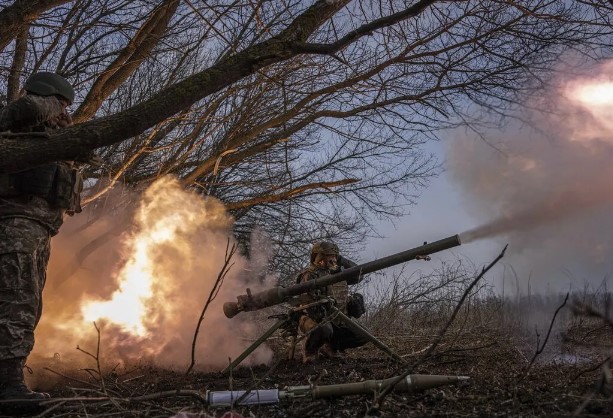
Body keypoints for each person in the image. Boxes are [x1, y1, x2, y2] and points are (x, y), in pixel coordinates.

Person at [0, 72, 87, 403]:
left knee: (28, 302)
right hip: (16, 224)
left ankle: (10, 377)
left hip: (37, 227)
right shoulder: (22, 118)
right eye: (62, 105)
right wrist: (48, 104)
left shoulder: (50, 137)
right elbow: (23, 109)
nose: (64, 113)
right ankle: (7, 386)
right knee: (17, 300)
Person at [297, 241, 368, 363]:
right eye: (329, 256)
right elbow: (310, 306)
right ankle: (310, 352)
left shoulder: (338, 273)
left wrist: (340, 259)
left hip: (337, 319)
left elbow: (359, 274)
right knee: (324, 328)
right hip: (313, 319)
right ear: (319, 257)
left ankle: (332, 348)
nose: (333, 259)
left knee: (363, 334)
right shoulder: (310, 275)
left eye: (334, 256)